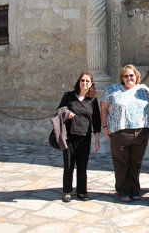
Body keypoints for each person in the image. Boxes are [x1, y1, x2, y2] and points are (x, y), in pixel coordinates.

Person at [100, 64, 149, 203]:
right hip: (120, 132)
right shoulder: (113, 90)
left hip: (141, 132)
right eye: (126, 76)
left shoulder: (144, 90)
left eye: (131, 75)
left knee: (136, 163)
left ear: (136, 76)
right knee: (121, 163)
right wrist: (105, 126)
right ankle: (123, 191)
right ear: (122, 78)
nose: (129, 78)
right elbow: (104, 107)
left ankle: (135, 190)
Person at [57, 72, 101, 203]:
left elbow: (96, 121)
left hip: (84, 138)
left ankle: (82, 192)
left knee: (82, 166)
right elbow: (59, 111)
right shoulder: (69, 96)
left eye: (88, 81)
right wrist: (67, 113)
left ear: (91, 84)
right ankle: (67, 191)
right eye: (83, 80)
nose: (85, 83)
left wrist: (97, 140)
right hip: (69, 137)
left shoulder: (93, 100)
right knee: (68, 165)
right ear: (79, 82)